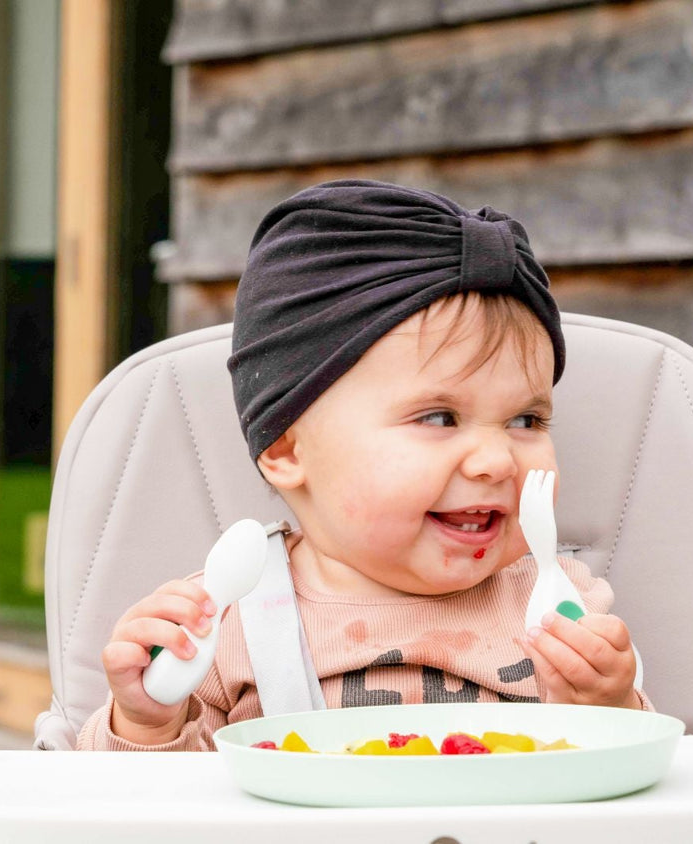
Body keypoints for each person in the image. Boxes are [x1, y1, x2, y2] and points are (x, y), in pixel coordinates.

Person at [78, 180, 650, 751]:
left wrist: (610, 708)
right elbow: (157, 812)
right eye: (439, 418)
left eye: (526, 421)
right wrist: (148, 724)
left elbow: (639, 787)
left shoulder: (561, 604)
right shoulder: (220, 620)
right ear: (286, 449)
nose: (495, 461)